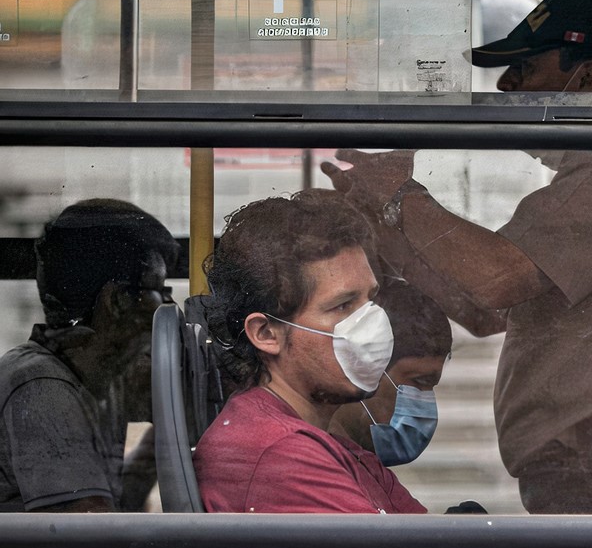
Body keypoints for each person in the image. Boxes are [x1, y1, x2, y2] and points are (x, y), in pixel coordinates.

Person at [321, 0, 592, 514]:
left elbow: (500, 279)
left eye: (524, 68)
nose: (504, 84)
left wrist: (400, 196)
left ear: (584, 77)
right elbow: (485, 310)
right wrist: (387, 238)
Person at [193, 190, 426, 515]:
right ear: (266, 333)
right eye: (343, 305)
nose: (372, 321)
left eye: (369, 298)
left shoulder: (333, 447)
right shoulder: (282, 455)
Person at [0, 199, 178, 512]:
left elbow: (119, 507)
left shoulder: (99, 377)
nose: (168, 306)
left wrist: (168, 434)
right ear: (117, 301)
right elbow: (92, 531)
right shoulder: (43, 387)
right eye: (160, 291)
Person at [329, 280, 451, 466]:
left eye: (430, 386)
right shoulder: (319, 461)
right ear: (364, 368)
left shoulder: (364, 466)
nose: (424, 402)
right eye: (418, 381)